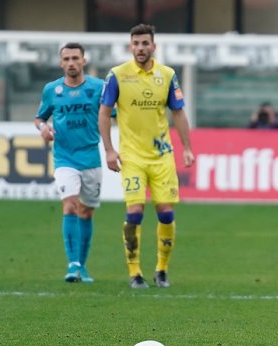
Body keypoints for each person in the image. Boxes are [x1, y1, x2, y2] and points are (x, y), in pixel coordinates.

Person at [99, 23, 195, 289]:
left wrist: (187, 147)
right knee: (135, 212)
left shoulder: (167, 75)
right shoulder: (117, 75)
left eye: (145, 43)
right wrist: (109, 149)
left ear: (154, 46)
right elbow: (105, 113)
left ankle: (161, 270)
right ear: (131, 46)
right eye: (136, 44)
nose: (140, 48)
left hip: (162, 155)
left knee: (165, 213)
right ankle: (134, 272)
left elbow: (178, 112)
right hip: (131, 157)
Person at [35, 42, 105, 284]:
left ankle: (82, 266)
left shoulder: (98, 87)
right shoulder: (51, 90)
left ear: (84, 61)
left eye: (76, 58)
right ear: (60, 63)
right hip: (65, 158)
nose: (71, 63)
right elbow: (39, 117)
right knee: (70, 206)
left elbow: (113, 114)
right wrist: (43, 127)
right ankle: (72, 264)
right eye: (67, 59)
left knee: (86, 211)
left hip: (91, 158)